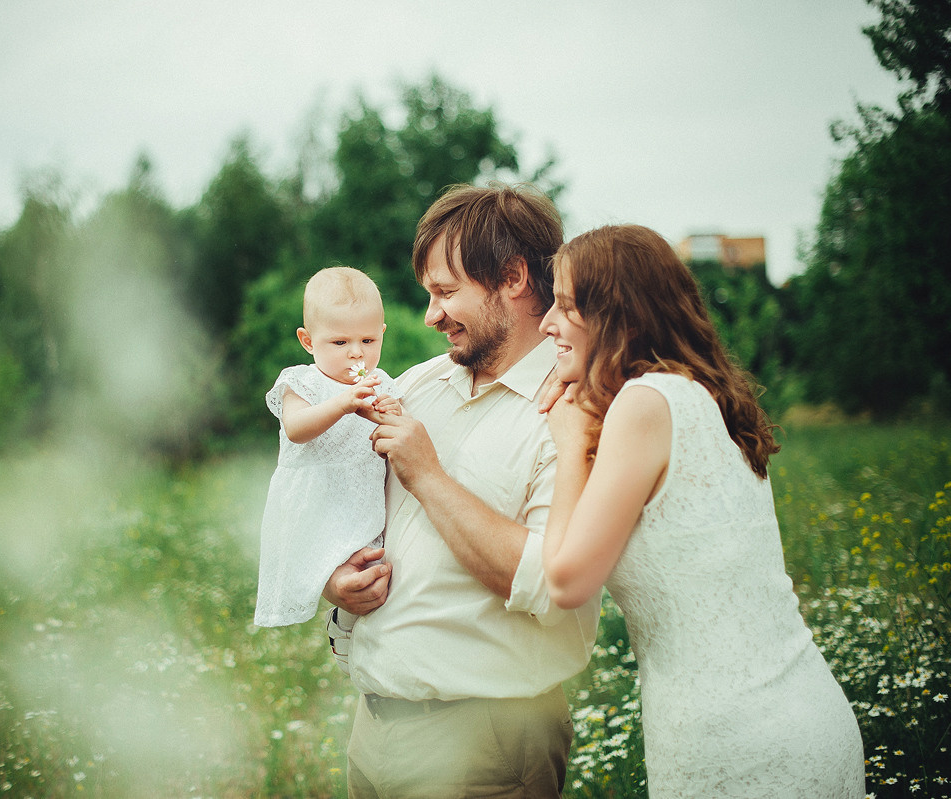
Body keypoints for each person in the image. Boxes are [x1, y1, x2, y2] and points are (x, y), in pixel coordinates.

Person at [538, 224, 865, 797]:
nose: (547, 323)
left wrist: (570, 444)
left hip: (737, 745)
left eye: (565, 306)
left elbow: (566, 580)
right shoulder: (706, 395)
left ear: (620, 317)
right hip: (804, 713)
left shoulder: (644, 406)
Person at [324, 184, 601, 798]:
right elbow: (339, 500)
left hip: (488, 744)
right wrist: (333, 579)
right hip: (372, 730)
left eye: (446, 292)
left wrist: (427, 475)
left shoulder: (574, 411)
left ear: (513, 277)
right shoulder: (417, 386)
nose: (429, 315)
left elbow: (551, 584)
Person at [255, 266, 402, 628]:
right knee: (326, 569)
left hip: (361, 496)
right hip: (315, 499)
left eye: (368, 341)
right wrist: (346, 403)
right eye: (340, 343)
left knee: (373, 579)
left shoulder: (380, 382)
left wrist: (389, 412)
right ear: (308, 341)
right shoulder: (302, 381)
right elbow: (296, 429)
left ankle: (355, 635)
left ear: (382, 334)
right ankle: (343, 626)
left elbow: (395, 431)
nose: (357, 355)